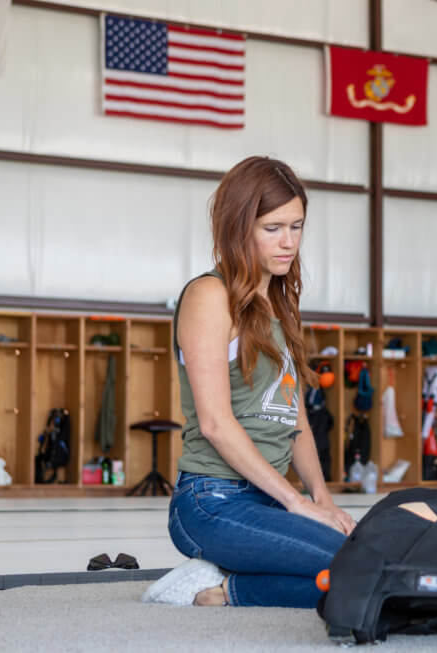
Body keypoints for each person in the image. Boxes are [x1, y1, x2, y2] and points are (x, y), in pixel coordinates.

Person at [141, 156, 355, 609]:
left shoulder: (278, 301)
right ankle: (219, 592)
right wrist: (297, 503)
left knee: (375, 561)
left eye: (296, 227)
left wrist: (322, 499)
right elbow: (216, 424)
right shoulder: (209, 295)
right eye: (273, 228)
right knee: (355, 566)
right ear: (239, 227)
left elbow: (292, 416)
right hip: (212, 499)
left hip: (269, 496)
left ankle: (230, 580)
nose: (289, 242)